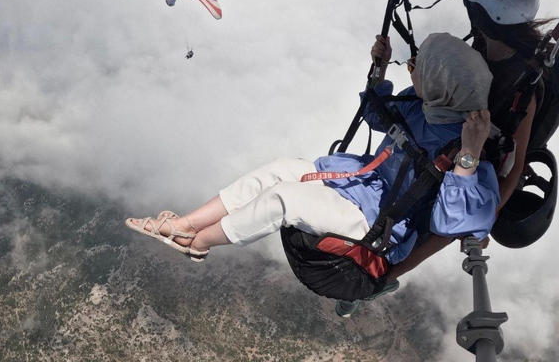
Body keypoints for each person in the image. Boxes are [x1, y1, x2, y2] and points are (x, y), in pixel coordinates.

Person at [126, 33, 500, 313]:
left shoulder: (468, 145)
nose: (412, 67)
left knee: (284, 198)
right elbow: (374, 114)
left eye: (421, 67)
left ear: (441, 88)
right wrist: (379, 69)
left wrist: (469, 153)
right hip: (357, 183)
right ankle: (186, 224)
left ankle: (199, 243)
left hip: (378, 222)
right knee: (277, 170)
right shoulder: (422, 105)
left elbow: (455, 223)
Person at [386, 0, 552, 279]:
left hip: (476, 158)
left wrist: (485, 216)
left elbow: (513, 167)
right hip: (455, 133)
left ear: (485, 14)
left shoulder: (524, 86)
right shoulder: (485, 44)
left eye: (472, 4)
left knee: (449, 220)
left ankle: (388, 275)